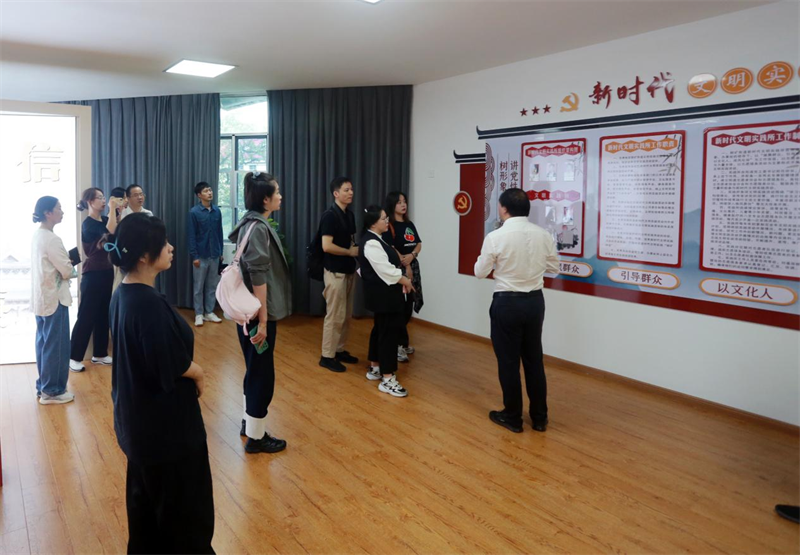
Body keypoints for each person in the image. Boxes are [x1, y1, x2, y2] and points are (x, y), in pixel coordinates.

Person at [108, 213, 214, 552]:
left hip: (141, 427)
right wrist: (197, 372)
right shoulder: (146, 304)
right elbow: (165, 361)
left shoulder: (124, 293)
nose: (171, 248)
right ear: (143, 255)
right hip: (167, 435)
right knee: (186, 523)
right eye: (164, 243)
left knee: (147, 520)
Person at [474, 188, 559, 433]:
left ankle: (512, 417)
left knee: (508, 362)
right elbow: (554, 267)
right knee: (534, 360)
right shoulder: (543, 235)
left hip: (507, 303)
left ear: (503, 209)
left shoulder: (496, 236)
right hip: (535, 303)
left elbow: (480, 272)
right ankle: (540, 418)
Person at [228, 171, 291, 454]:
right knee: (262, 373)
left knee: (255, 368)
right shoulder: (258, 228)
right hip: (256, 315)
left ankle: (249, 422)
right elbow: (258, 276)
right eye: (276, 192)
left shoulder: (250, 224)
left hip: (248, 313)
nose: (280, 196)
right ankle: (256, 437)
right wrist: (263, 321)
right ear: (265, 199)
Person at [360, 205, 415, 398]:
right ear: (373, 223)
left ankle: (375, 367)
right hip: (383, 295)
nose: (387, 221)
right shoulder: (371, 243)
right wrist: (405, 280)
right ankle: (388, 378)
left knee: (380, 330)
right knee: (388, 335)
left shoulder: (377, 239)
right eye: (383, 219)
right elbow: (385, 269)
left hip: (383, 295)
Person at [31, 196, 76, 404]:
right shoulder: (52, 238)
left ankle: (44, 386)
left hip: (43, 298)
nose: (62, 211)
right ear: (48, 213)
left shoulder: (38, 235)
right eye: (59, 208)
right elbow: (66, 270)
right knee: (56, 346)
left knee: (44, 343)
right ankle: (52, 391)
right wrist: (70, 264)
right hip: (55, 298)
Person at [69, 187, 119, 372]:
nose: (104, 200)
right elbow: (108, 234)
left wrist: (117, 212)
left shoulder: (105, 220)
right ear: (90, 201)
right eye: (100, 198)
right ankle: (74, 357)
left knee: (103, 313)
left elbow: (116, 233)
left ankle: (100, 353)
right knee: (86, 315)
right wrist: (113, 210)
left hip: (107, 271)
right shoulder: (88, 224)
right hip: (92, 274)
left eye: (104, 197)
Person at [318, 176, 359, 373]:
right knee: (335, 315)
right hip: (334, 272)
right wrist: (349, 252)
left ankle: (339, 350)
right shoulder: (329, 216)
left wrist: (354, 251)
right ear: (336, 193)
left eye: (351, 189)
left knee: (346, 315)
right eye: (346, 190)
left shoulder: (349, 215)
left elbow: (351, 240)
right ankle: (327, 356)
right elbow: (326, 246)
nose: (350, 193)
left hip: (348, 270)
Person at [383, 191, 423, 362]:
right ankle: (398, 345)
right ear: (392, 205)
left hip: (412, 265)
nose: (403, 205)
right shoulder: (389, 225)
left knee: (410, 303)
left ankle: (403, 342)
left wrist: (412, 256)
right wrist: (405, 264)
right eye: (399, 202)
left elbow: (418, 243)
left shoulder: (409, 224)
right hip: (399, 268)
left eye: (404, 201)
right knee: (401, 306)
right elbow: (390, 247)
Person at [188, 181, 224, 327]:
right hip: (200, 256)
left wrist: (221, 251)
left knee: (212, 286)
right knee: (198, 287)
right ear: (199, 195)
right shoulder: (194, 212)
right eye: (206, 191)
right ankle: (199, 314)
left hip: (214, 255)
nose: (209, 193)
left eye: (210, 190)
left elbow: (219, 232)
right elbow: (191, 235)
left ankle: (209, 312)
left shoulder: (217, 211)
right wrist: (194, 256)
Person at [110, 187, 128, 291]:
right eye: (122, 198)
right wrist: (112, 208)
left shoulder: (122, 214)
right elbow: (113, 231)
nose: (126, 200)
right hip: (115, 257)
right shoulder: (110, 216)